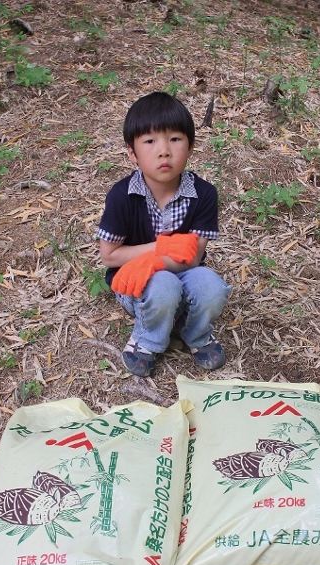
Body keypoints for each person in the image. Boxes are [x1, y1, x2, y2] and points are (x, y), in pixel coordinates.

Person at [97, 91, 231, 378]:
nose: (164, 151)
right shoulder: (123, 196)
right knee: (164, 287)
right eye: (149, 141)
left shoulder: (203, 194)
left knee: (212, 287)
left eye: (174, 139)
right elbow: (109, 256)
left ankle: (196, 333)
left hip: (184, 272)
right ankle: (146, 340)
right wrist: (160, 249)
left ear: (190, 146)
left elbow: (193, 258)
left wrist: (158, 259)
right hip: (137, 281)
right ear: (132, 152)